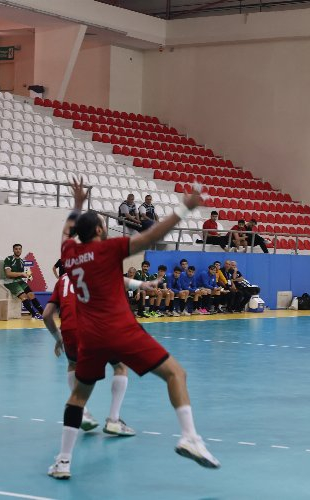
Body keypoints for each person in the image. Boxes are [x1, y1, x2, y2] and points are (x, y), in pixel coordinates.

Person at [49, 178, 220, 480]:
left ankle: (63, 461)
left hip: (90, 338)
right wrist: (184, 208)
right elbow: (152, 234)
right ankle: (190, 437)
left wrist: (76, 205)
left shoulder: (69, 254)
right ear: (99, 230)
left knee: (78, 398)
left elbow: (66, 231)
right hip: (120, 330)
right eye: (103, 224)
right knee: (176, 374)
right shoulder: (109, 249)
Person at [42, 260, 136, 436]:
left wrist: (58, 338)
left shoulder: (62, 279)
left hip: (69, 330)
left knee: (73, 364)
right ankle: (114, 420)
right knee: (120, 366)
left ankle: (82, 412)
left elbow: (47, 315)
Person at [3, 244, 44, 320]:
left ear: (21, 250)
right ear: (13, 250)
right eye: (16, 249)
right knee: (24, 296)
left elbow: (20, 275)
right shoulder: (9, 259)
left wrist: (28, 276)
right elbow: (8, 274)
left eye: (19, 249)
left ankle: (43, 313)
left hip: (19, 281)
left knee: (31, 295)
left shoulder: (21, 261)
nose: (18, 250)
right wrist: (22, 274)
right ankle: (34, 314)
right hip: (10, 282)